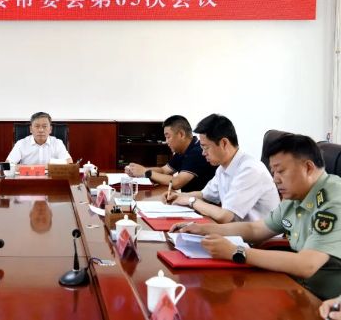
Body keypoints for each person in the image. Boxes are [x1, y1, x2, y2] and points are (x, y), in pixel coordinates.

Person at [172, 134, 341, 301]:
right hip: (298, 290)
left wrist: (236, 252)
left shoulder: (334, 202)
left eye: (281, 171)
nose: (275, 179)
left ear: (308, 168)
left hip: (326, 302)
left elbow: (307, 265)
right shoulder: (296, 197)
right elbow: (255, 229)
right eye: (273, 172)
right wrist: (203, 229)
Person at [164, 114, 279, 223]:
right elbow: (205, 195)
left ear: (224, 143)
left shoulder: (250, 170)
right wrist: (179, 196)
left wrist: (190, 201)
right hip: (236, 231)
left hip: (254, 236)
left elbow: (225, 216)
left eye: (206, 147)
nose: (203, 153)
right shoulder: (223, 168)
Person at [125, 115, 216, 192]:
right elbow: (163, 170)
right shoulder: (182, 150)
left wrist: (145, 172)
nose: (166, 141)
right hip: (188, 200)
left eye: (168, 137)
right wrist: (138, 170)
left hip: (202, 203)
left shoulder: (197, 152)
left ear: (181, 134)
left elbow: (177, 183)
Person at [6, 112, 72, 165]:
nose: (41, 130)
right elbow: (8, 164)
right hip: (28, 177)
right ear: (31, 129)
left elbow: (69, 162)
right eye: (37, 126)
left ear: (50, 129)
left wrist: (38, 168)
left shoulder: (57, 143)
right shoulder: (21, 143)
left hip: (51, 177)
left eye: (44, 126)